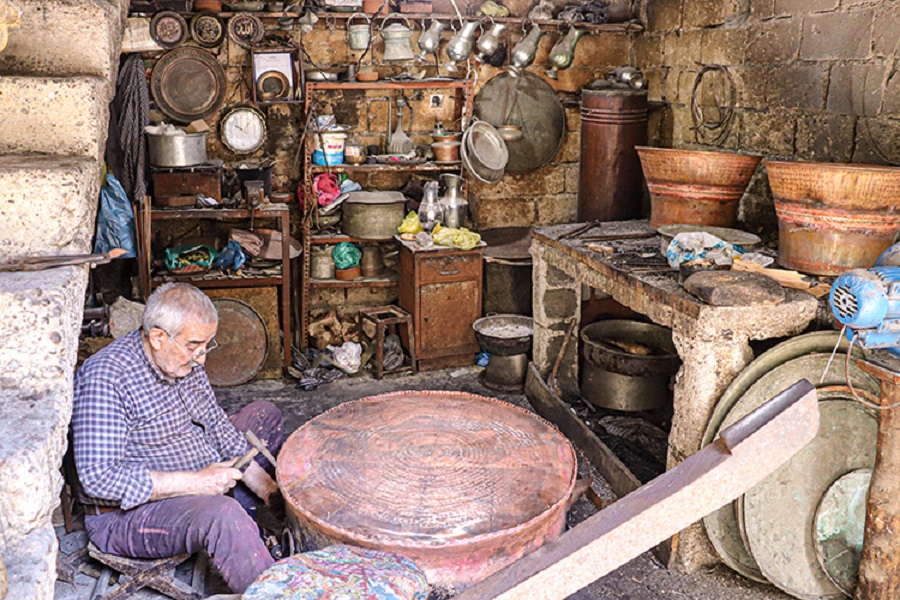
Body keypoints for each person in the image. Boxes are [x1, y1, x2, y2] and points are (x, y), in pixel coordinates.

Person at [72, 283, 284, 593]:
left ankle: (246, 514)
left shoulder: (182, 360)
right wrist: (196, 483)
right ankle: (272, 586)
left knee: (264, 415)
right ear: (158, 337)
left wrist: (267, 489)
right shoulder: (107, 378)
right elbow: (97, 478)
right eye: (195, 345)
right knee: (221, 516)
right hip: (124, 516)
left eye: (207, 345)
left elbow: (215, 423)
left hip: (195, 469)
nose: (201, 359)